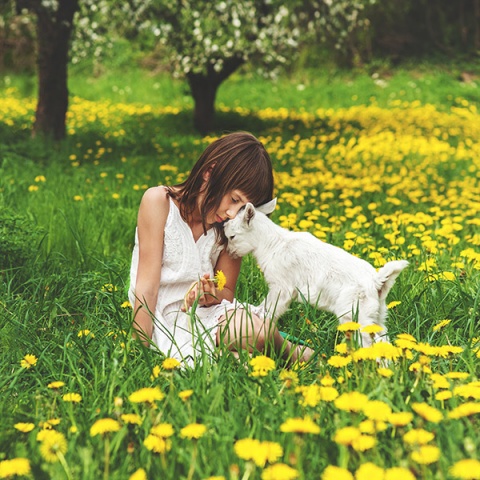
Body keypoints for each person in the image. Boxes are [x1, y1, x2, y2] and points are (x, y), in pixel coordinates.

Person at [128, 131, 313, 366]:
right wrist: (138, 350)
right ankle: (249, 357)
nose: (231, 213)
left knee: (259, 333)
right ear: (210, 172)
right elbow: (147, 289)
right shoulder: (158, 203)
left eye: (241, 208)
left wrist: (209, 295)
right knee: (235, 358)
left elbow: (227, 293)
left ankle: (289, 351)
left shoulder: (230, 228)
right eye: (234, 199)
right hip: (160, 314)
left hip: (207, 316)